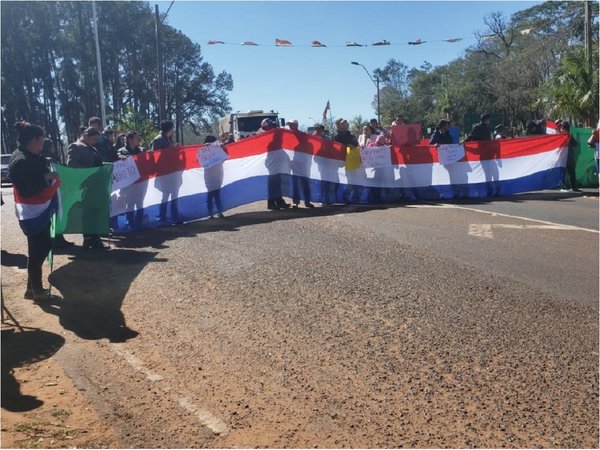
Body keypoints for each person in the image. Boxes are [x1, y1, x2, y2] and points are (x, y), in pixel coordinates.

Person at [9, 121, 61, 301]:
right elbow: (27, 187)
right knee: (38, 249)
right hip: (33, 211)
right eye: (42, 139)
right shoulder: (20, 160)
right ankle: (37, 292)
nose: (43, 142)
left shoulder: (31, 155)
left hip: (40, 209)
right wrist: (47, 177)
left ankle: (31, 288)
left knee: (42, 246)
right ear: (33, 140)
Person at [67, 126, 108, 249]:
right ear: (86, 136)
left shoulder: (92, 147)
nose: (95, 141)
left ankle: (95, 237)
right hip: (85, 185)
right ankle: (89, 238)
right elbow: (72, 164)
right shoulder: (75, 146)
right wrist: (89, 172)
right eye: (94, 139)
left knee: (95, 211)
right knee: (88, 212)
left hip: (95, 185)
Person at [202, 135, 226, 219]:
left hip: (209, 174)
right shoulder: (218, 149)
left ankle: (210, 213)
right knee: (217, 194)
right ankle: (219, 212)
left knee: (210, 194)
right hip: (218, 173)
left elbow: (200, 162)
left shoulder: (203, 151)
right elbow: (225, 156)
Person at [559, 121, 581, 193]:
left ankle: (573, 187)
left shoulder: (569, 135)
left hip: (569, 157)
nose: (563, 129)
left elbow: (575, 144)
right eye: (562, 128)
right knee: (563, 172)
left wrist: (570, 138)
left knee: (572, 172)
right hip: (562, 157)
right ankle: (563, 187)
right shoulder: (558, 136)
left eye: (564, 128)